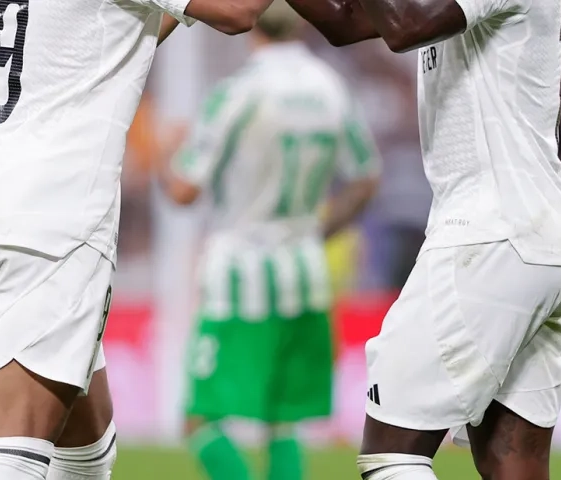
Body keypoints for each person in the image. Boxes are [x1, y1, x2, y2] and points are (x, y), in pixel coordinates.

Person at [0, 0, 281, 479]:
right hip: (54, 217)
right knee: (13, 448)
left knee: (88, 450)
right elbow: (238, 11)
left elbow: (103, 39)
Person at [283, 0, 561, 479]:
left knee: (393, 452)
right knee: (514, 464)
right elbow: (345, 23)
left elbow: (406, 25)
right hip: (543, 240)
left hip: (492, 232)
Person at [157, 2, 380, 479]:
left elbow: (183, 189)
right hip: (304, 272)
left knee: (199, 418)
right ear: (299, 20)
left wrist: (163, 151)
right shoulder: (330, 86)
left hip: (241, 272)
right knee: (284, 422)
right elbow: (365, 178)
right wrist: (314, 234)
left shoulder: (239, 92)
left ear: (254, 20)